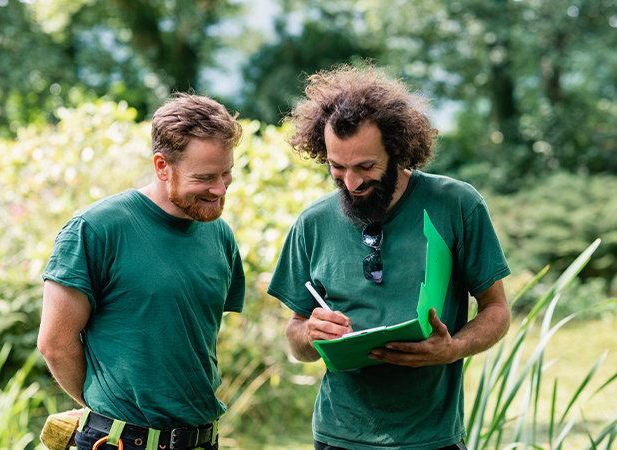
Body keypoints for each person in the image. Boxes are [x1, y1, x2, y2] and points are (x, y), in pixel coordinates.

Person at [267, 64, 512, 450]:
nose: (351, 182)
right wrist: (311, 334)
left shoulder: (457, 205)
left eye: (365, 166)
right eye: (337, 167)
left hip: (432, 439)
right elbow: (296, 337)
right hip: (338, 437)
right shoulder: (312, 223)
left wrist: (453, 349)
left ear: (397, 149)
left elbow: (497, 310)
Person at [37, 93, 245, 450]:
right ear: (162, 166)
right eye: (206, 177)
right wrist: (106, 412)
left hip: (201, 440)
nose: (220, 189)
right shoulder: (96, 229)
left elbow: (188, 338)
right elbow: (55, 343)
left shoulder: (220, 234)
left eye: (226, 173)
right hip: (117, 442)